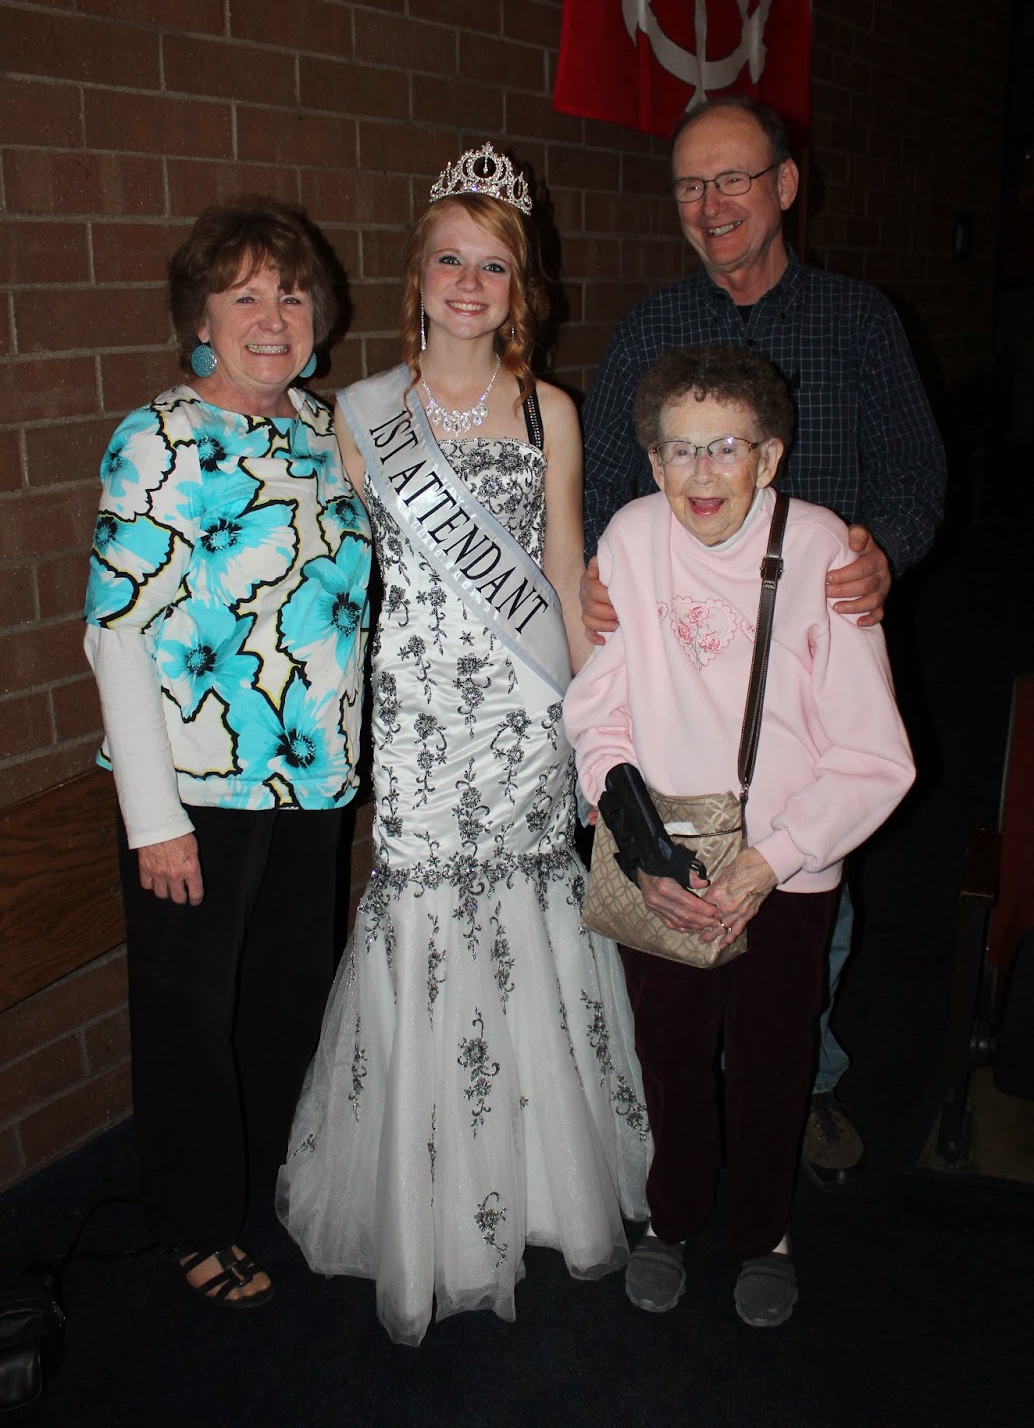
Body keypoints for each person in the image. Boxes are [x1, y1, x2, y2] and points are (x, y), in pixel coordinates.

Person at [278, 143, 649, 1347]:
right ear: (418, 274)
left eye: (494, 264)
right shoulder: (361, 418)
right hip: (419, 719)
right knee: (423, 912)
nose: (470, 283)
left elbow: (562, 569)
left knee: (531, 912)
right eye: (451, 259)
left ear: (520, 285)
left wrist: (598, 734)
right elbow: (330, 581)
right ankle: (428, 1208)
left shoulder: (551, 411)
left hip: (522, 715)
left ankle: (543, 1187)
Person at [580, 96, 945, 1185]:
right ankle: (691, 1114)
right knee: (677, 920)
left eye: (733, 178)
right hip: (685, 654)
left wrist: (886, 551)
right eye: (692, 185)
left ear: (785, 185)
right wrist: (599, 572)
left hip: (808, 650)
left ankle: (802, 1084)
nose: (712, 204)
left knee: (803, 898)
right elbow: (604, 478)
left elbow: (917, 471)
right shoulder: (649, 328)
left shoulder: (857, 319)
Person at [564, 344, 915, 1326]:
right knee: (671, 1053)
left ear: (770, 455)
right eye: (679, 450)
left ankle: (764, 1231)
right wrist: (638, 843)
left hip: (785, 867)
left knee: (770, 1061)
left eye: (726, 447)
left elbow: (875, 755)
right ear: (651, 462)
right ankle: (672, 1214)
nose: (702, 473)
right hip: (663, 855)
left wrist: (769, 862)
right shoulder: (633, 537)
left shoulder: (824, 553)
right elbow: (599, 711)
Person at [83, 198, 371, 1307]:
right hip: (197, 788)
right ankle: (195, 1222)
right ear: (199, 317)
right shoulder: (157, 440)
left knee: (289, 996)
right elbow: (117, 633)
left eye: (291, 295)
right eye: (244, 294)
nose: (272, 316)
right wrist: (153, 820)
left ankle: (278, 1177)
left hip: (311, 779)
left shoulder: (323, 427)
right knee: (189, 1017)